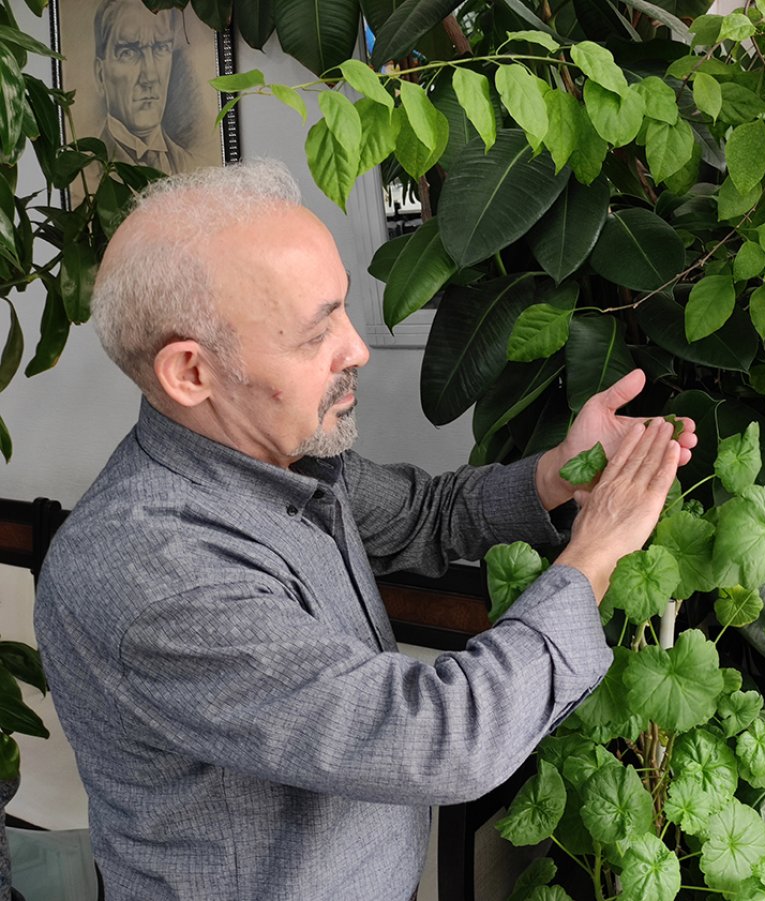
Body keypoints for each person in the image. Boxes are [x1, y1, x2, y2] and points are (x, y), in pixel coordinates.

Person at [34, 160, 697, 900]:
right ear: (192, 372)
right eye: (317, 334)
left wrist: (558, 474)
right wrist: (597, 549)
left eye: (344, 310)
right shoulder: (154, 571)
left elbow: (424, 513)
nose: (356, 350)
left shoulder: (280, 457)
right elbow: (444, 736)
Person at [93, 0, 199, 173]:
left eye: (161, 48)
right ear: (100, 75)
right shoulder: (88, 172)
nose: (149, 77)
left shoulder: (190, 166)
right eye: (128, 52)